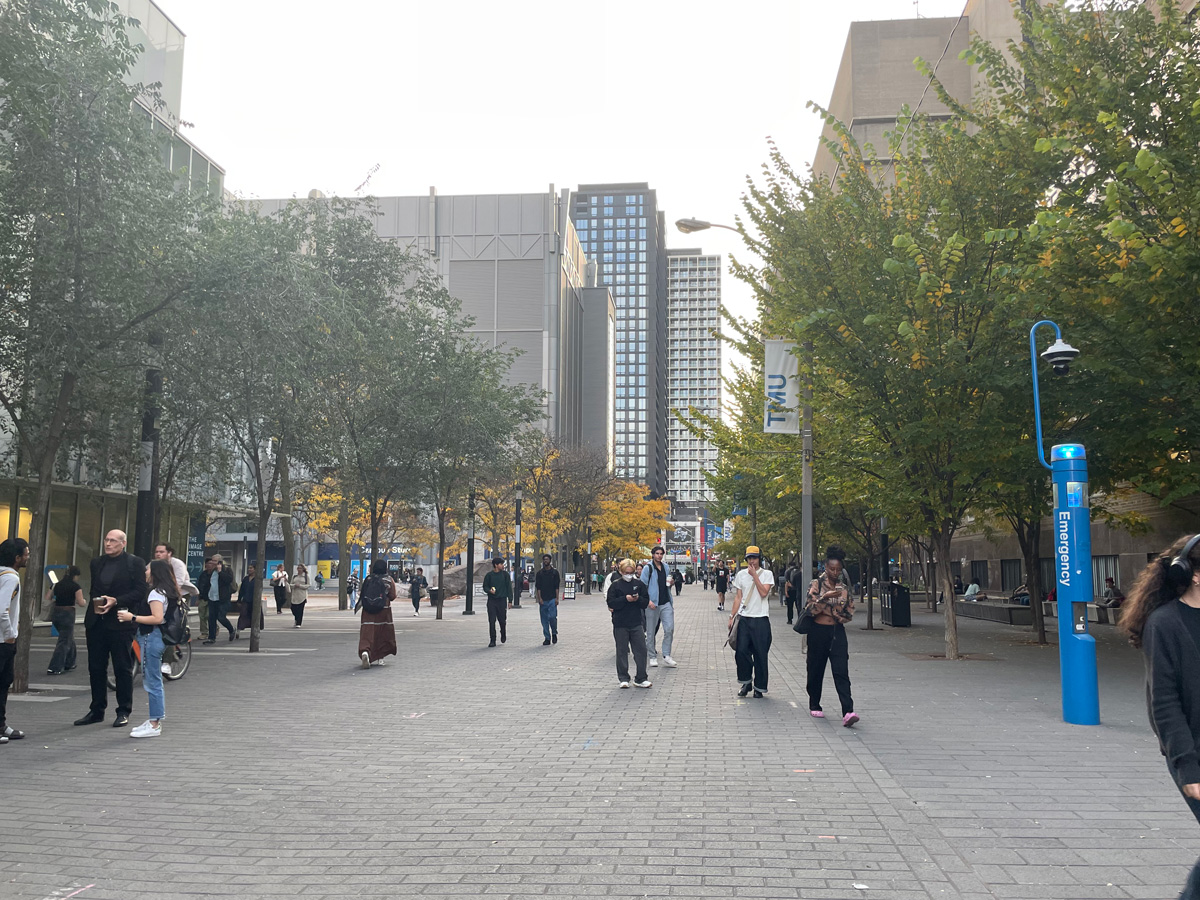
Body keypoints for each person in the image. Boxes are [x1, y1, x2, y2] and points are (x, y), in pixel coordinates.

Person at [1122, 534, 1200, 900]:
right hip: (1192, 751)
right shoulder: (1165, 624)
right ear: (1193, 574)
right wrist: (1188, 768)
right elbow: (1164, 703)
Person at [74, 530, 147, 728]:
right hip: (96, 622)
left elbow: (140, 591)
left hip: (120, 622)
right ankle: (96, 710)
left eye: (113, 541)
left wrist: (117, 601)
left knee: (122, 667)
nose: (108, 543)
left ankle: (123, 710)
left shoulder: (134, 563)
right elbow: (95, 589)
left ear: (123, 543)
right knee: (96, 668)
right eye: (106, 540)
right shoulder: (97, 562)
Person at [115, 560, 175, 738]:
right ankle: (153, 720)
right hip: (157, 636)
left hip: (151, 636)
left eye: (148, 568)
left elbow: (157, 618)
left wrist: (131, 617)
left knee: (152, 681)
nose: (145, 571)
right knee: (153, 679)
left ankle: (155, 723)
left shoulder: (156, 593)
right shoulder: (168, 591)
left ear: (155, 572)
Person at [805, 545, 859, 726]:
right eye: (831, 569)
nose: (835, 572)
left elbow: (849, 611)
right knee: (815, 669)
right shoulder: (816, 584)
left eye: (838, 569)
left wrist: (836, 615)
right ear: (825, 567)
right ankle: (815, 703)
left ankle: (848, 711)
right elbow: (810, 610)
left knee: (841, 670)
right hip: (818, 632)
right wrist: (825, 598)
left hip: (837, 632)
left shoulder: (843, 588)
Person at [731, 546, 774, 698]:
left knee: (760, 654)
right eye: (749, 558)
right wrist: (732, 616)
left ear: (759, 559)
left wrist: (755, 575)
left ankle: (759, 687)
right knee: (741, 651)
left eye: (754, 558)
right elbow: (738, 597)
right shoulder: (741, 575)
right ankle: (746, 681)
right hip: (744, 618)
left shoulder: (767, 574)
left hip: (761, 618)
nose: (752, 561)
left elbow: (763, 593)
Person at [0, 538, 29, 744]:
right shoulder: (10, 578)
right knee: (3, 682)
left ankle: (1, 725)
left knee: (4, 681)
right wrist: (10, 633)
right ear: (17, 558)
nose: (28, 557)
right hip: (4, 640)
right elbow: (2, 610)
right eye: (26, 554)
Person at [607, 558, 651, 689]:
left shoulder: (639, 584)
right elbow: (611, 603)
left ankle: (641, 677)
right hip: (620, 622)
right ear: (621, 572)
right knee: (621, 651)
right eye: (626, 573)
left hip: (636, 622)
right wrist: (625, 599)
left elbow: (645, 602)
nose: (629, 575)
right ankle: (623, 677)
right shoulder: (615, 585)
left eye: (631, 572)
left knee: (641, 650)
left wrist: (637, 599)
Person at [640, 546, 676, 668]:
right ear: (653, 554)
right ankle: (652, 656)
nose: (659, 556)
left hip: (665, 602)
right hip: (652, 603)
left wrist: (671, 583)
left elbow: (666, 583)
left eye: (661, 554)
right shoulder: (648, 568)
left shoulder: (665, 567)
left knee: (669, 628)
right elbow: (642, 586)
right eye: (657, 553)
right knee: (650, 631)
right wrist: (648, 601)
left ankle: (667, 655)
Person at [357, 560, 397, 668]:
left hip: (368, 610)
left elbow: (362, 593)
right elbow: (393, 596)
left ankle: (365, 651)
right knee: (382, 632)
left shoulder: (368, 579)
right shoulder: (388, 580)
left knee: (367, 632)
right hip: (383, 610)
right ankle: (380, 658)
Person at [47, 565, 85, 675]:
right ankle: (55, 667)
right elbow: (81, 603)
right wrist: (84, 601)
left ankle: (70, 662)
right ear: (75, 575)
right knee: (64, 641)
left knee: (68, 637)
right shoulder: (75, 586)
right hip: (68, 614)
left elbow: (47, 598)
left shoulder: (56, 584)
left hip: (56, 613)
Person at [199, 554, 236, 643]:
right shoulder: (211, 571)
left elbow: (228, 580)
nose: (212, 562)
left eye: (215, 561)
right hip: (212, 598)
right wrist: (203, 595)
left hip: (223, 598)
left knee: (221, 617)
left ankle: (231, 629)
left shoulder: (227, 570)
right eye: (212, 560)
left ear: (220, 562)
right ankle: (211, 638)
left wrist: (220, 572)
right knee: (211, 618)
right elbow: (207, 584)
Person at [483, 557, 511, 647]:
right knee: (492, 621)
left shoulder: (505, 575)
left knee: (502, 620)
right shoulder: (489, 575)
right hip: (492, 600)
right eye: (501, 564)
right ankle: (492, 639)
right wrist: (489, 590)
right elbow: (485, 586)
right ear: (496, 565)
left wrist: (510, 600)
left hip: (502, 600)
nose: (503, 566)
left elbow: (509, 587)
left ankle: (503, 632)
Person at [534, 554, 561, 646]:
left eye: (547, 559)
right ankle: (547, 637)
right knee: (544, 619)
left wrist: (557, 598)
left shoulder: (555, 573)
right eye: (544, 559)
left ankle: (554, 632)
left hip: (552, 598)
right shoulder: (539, 574)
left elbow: (557, 586)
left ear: (550, 561)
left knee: (552, 617)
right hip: (543, 599)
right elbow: (538, 587)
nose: (545, 561)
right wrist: (539, 598)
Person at [236, 565, 263, 634]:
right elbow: (241, 590)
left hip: (254, 601)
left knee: (255, 616)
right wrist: (239, 600)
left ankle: (255, 630)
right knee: (243, 614)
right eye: (248, 568)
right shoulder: (245, 579)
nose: (249, 569)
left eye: (251, 568)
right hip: (246, 600)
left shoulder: (258, 579)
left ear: (255, 569)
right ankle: (239, 629)